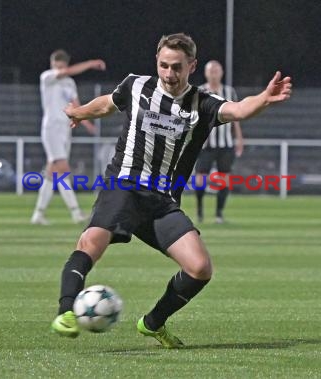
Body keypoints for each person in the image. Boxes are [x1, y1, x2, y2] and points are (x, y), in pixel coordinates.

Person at [50, 33, 292, 348]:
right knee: (92, 242)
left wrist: (263, 98)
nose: (169, 74)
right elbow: (107, 104)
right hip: (123, 184)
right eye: (163, 65)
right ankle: (66, 312)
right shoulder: (136, 86)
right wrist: (79, 112)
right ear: (157, 63)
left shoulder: (201, 104)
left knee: (200, 268)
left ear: (192, 65)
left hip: (161, 200)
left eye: (177, 67)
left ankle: (153, 323)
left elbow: (240, 110)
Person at [31, 49, 106, 225]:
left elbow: (76, 105)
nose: (60, 70)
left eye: (62, 66)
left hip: (65, 130)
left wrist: (86, 121)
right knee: (64, 171)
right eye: (57, 66)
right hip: (52, 129)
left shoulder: (70, 83)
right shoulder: (47, 77)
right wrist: (91, 63)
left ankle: (38, 214)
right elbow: (66, 73)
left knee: (52, 173)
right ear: (53, 65)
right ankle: (76, 212)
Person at [195, 60, 244, 223]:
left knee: (224, 178)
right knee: (200, 178)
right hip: (205, 145)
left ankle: (218, 214)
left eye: (216, 70)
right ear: (206, 73)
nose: (214, 73)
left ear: (221, 73)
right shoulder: (200, 91)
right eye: (211, 71)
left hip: (226, 144)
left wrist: (239, 139)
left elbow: (236, 117)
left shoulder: (229, 92)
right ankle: (200, 209)